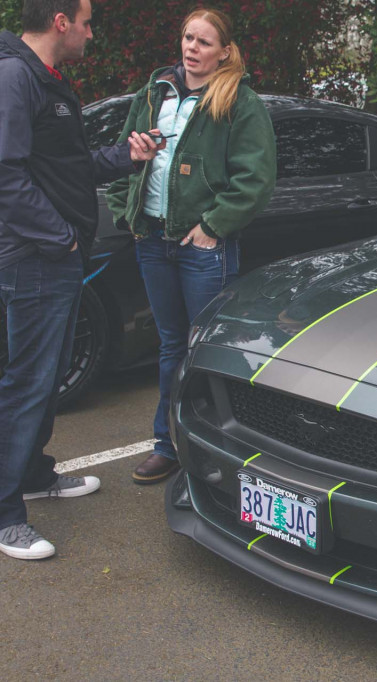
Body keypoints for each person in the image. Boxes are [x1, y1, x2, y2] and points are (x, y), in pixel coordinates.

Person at [0, 0, 162, 560]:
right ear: (61, 21)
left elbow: (68, 166)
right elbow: (5, 173)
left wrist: (127, 155)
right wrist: (60, 236)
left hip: (58, 256)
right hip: (37, 257)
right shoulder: (15, 76)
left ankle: (35, 474)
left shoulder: (46, 81)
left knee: (47, 377)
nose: (93, 34)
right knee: (28, 381)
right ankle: (5, 514)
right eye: (88, 23)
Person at [105, 8, 276, 485]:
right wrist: (128, 212)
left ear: (224, 51)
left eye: (203, 42)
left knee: (205, 351)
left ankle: (216, 451)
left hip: (203, 249)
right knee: (170, 348)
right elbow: (128, 154)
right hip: (153, 241)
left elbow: (256, 179)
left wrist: (214, 226)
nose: (191, 48)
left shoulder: (239, 101)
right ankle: (168, 445)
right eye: (187, 38)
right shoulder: (156, 91)